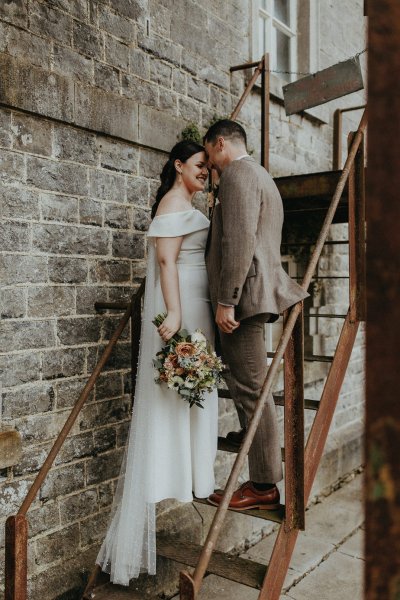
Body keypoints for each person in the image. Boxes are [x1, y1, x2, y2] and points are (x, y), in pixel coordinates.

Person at [96, 140, 218, 585]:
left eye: (208, 165)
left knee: (193, 388)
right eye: (200, 165)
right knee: (176, 389)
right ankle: (178, 474)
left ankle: (195, 475)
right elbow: (166, 261)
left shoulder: (187, 200)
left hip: (196, 300)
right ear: (178, 164)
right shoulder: (172, 202)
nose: (205, 172)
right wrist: (177, 313)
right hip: (182, 300)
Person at [203, 119, 309, 511]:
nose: (211, 166)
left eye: (210, 155)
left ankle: (263, 484)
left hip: (243, 298)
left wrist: (227, 299)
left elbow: (240, 238)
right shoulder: (262, 175)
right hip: (253, 294)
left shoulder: (237, 175)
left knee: (251, 387)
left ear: (220, 144)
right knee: (248, 382)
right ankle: (254, 439)